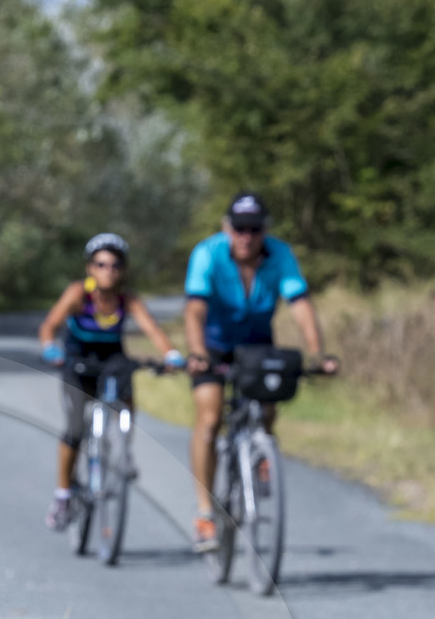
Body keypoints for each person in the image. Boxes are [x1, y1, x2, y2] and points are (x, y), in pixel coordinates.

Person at [183, 192, 338, 552]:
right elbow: (194, 309)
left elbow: (299, 304)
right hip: (213, 345)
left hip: (257, 343)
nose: (246, 236)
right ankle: (205, 513)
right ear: (227, 228)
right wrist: (197, 353)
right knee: (208, 421)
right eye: (239, 228)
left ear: (264, 230)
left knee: (268, 404)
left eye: (254, 229)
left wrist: (319, 354)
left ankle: (261, 451)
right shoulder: (208, 253)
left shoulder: (280, 255)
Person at [38, 235, 183, 529]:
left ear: (123, 269)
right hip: (78, 360)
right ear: (91, 268)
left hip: (111, 357)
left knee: (127, 390)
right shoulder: (79, 293)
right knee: (75, 428)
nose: (109, 270)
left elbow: (151, 327)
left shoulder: (126, 298)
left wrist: (171, 353)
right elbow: (49, 325)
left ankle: (123, 449)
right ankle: (64, 494)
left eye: (115, 265)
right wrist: (49, 346)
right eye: (101, 264)